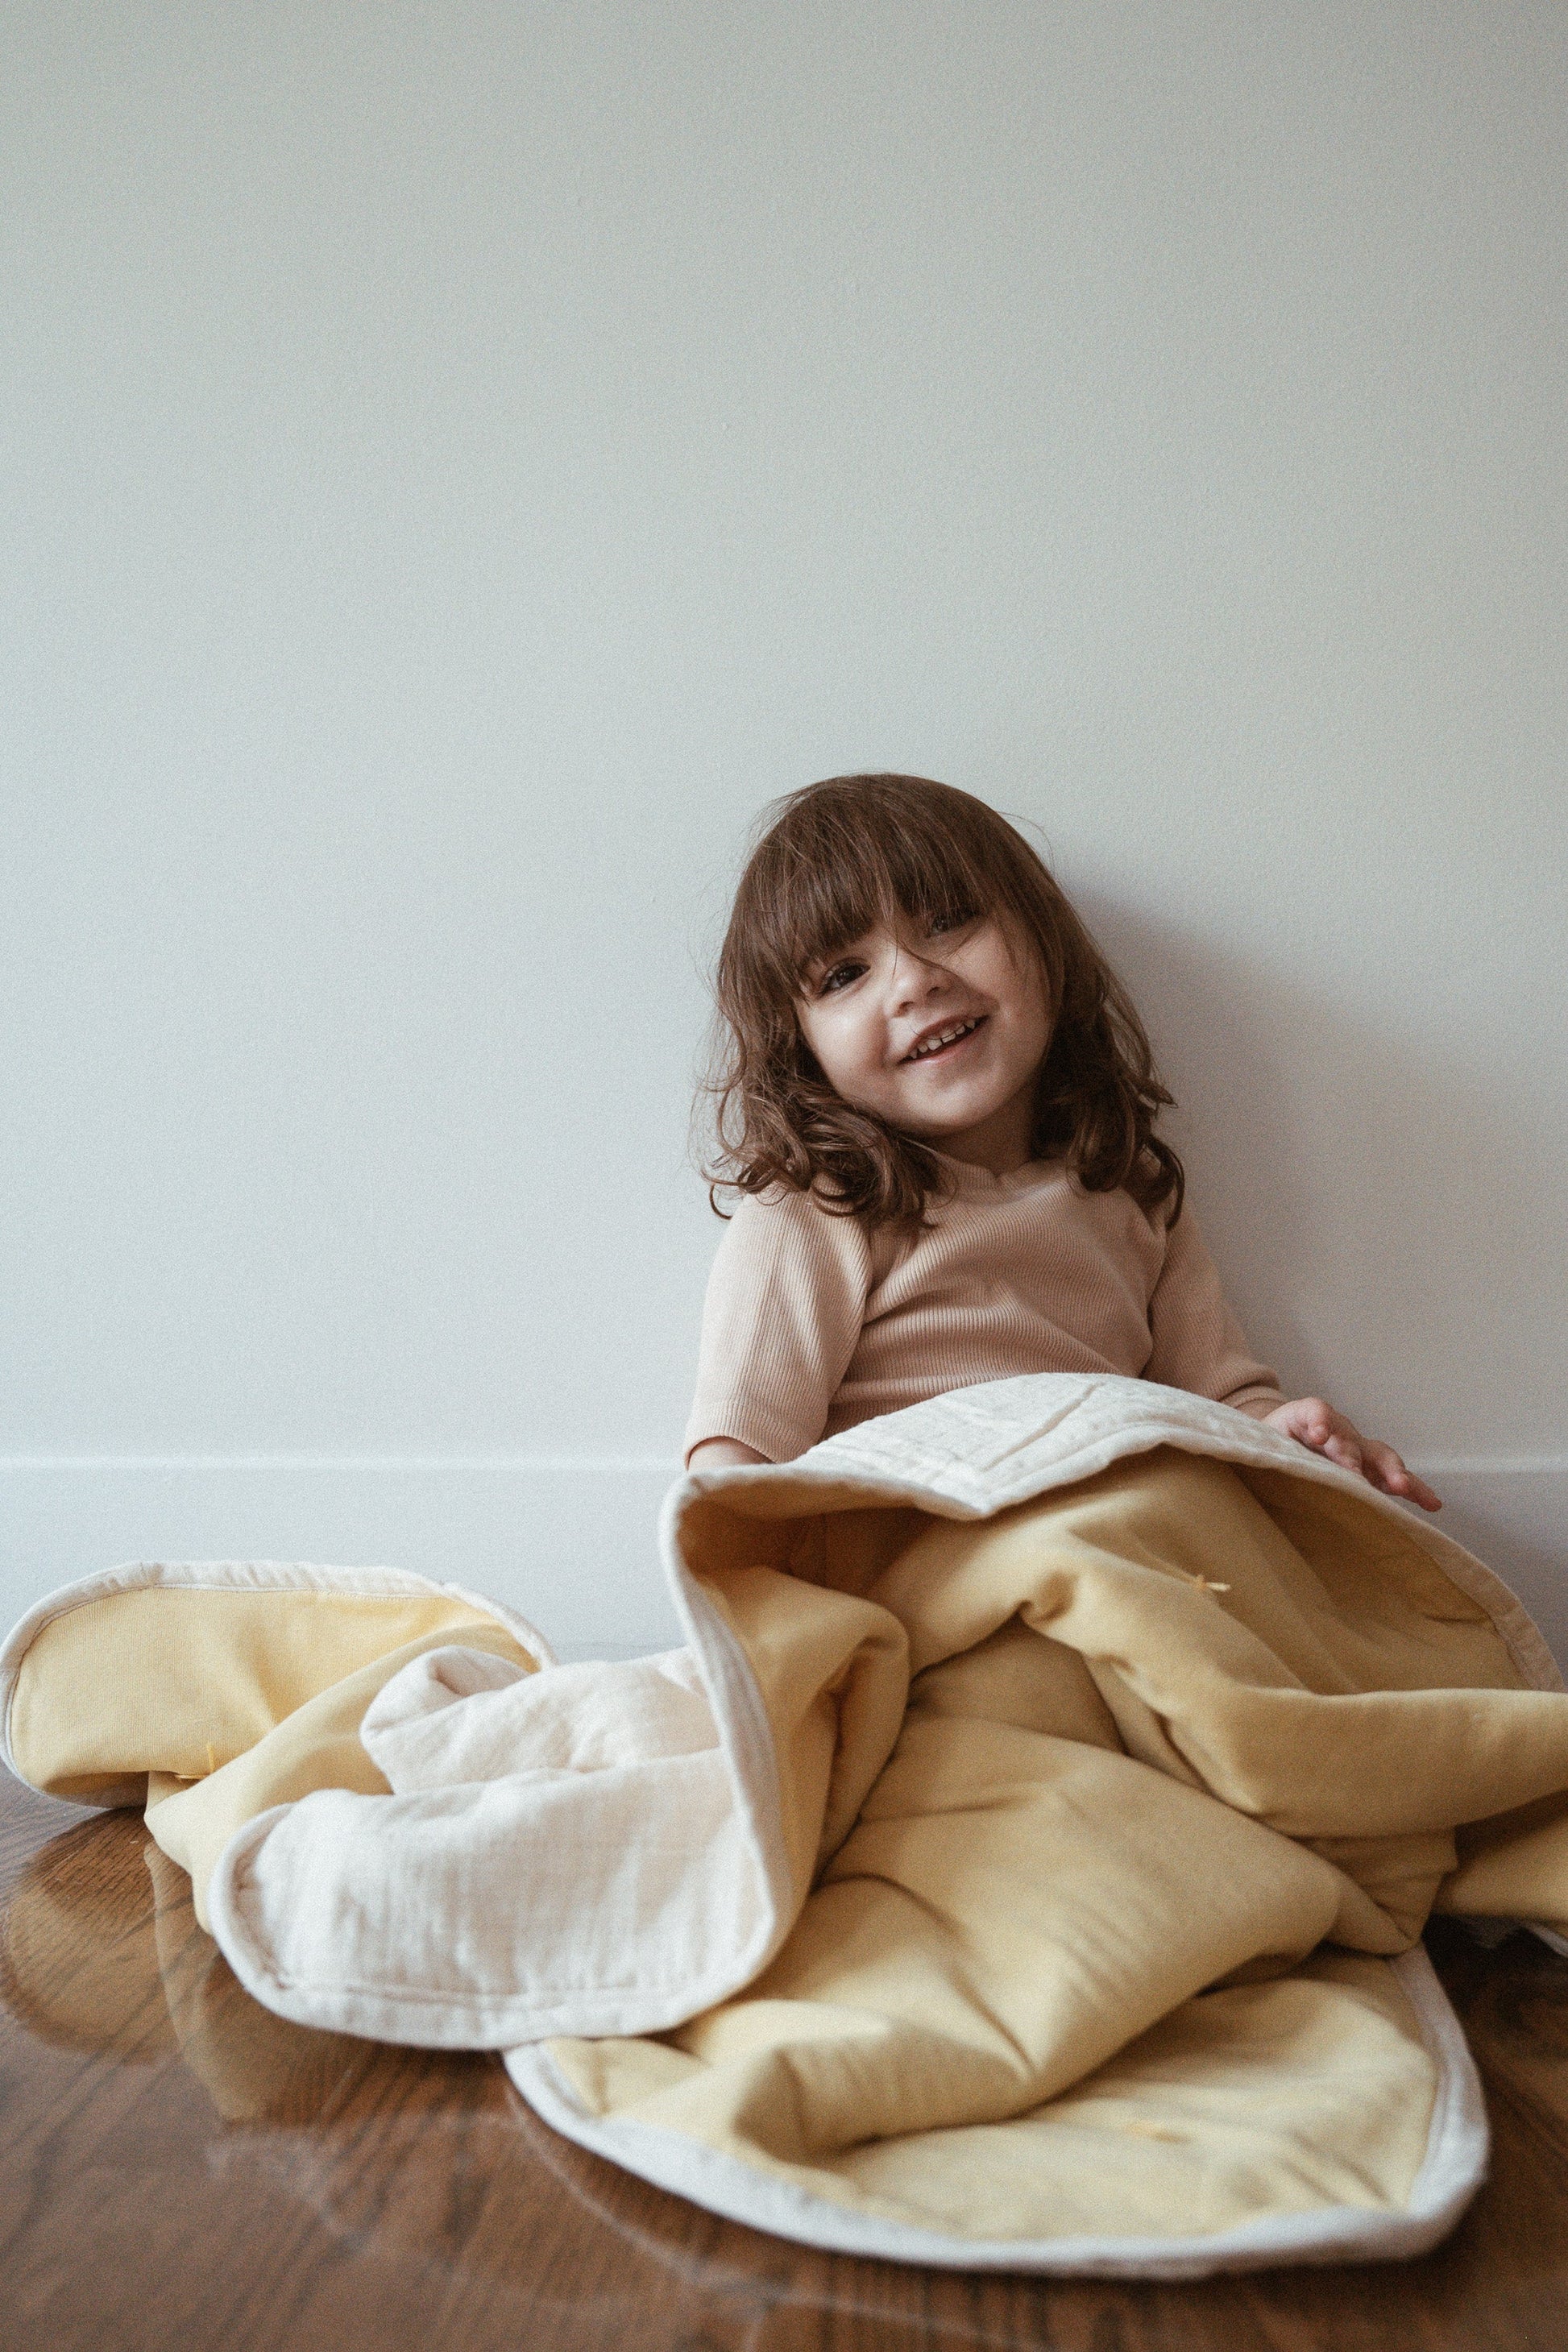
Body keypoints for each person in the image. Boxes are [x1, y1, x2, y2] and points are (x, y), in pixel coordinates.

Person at [685, 772, 1440, 1512]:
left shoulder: (1129, 1189)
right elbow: (736, 1467)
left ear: (1044, 935)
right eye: (846, 973)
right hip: (917, 1555)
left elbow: (1217, 1397)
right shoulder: (822, 1212)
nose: (914, 981)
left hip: (1109, 1530)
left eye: (948, 920)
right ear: (802, 1048)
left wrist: (1286, 1434)